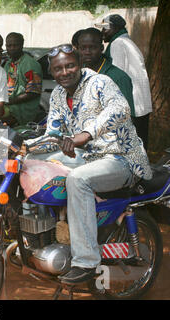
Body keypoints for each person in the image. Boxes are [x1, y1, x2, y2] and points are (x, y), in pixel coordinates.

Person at [37, 44, 151, 285]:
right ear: (52, 72)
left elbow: (120, 109)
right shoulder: (58, 94)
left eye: (70, 65)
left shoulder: (100, 82)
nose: (65, 72)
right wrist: (26, 146)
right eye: (58, 69)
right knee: (34, 168)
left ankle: (86, 261)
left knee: (78, 180)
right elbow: (53, 133)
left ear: (80, 64)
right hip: (86, 158)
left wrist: (86, 134)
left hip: (121, 158)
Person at [96, 14, 153, 150]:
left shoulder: (117, 44)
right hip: (140, 104)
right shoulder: (125, 41)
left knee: (131, 148)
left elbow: (116, 77)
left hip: (132, 105)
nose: (102, 32)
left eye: (105, 29)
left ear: (115, 28)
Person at [77, 27, 135, 120]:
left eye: (92, 47)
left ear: (101, 48)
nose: (87, 52)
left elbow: (127, 117)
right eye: (83, 48)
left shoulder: (118, 77)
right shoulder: (78, 75)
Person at [3, 32, 43, 131]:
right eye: (9, 45)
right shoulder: (8, 64)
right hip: (9, 107)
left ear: (21, 45)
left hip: (23, 112)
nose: (12, 48)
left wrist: (8, 102)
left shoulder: (30, 64)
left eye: (15, 45)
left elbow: (33, 92)